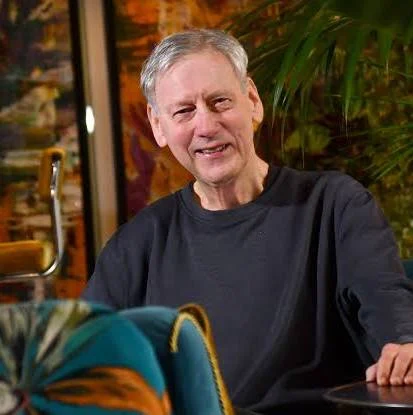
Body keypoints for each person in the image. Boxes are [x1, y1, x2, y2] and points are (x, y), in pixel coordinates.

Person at [82, 28, 413, 414]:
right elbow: (77, 363)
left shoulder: (334, 205)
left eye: (219, 102)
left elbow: (387, 303)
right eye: (184, 111)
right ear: (158, 126)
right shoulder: (135, 246)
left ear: (253, 101)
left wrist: (405, 345)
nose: (206, 126)